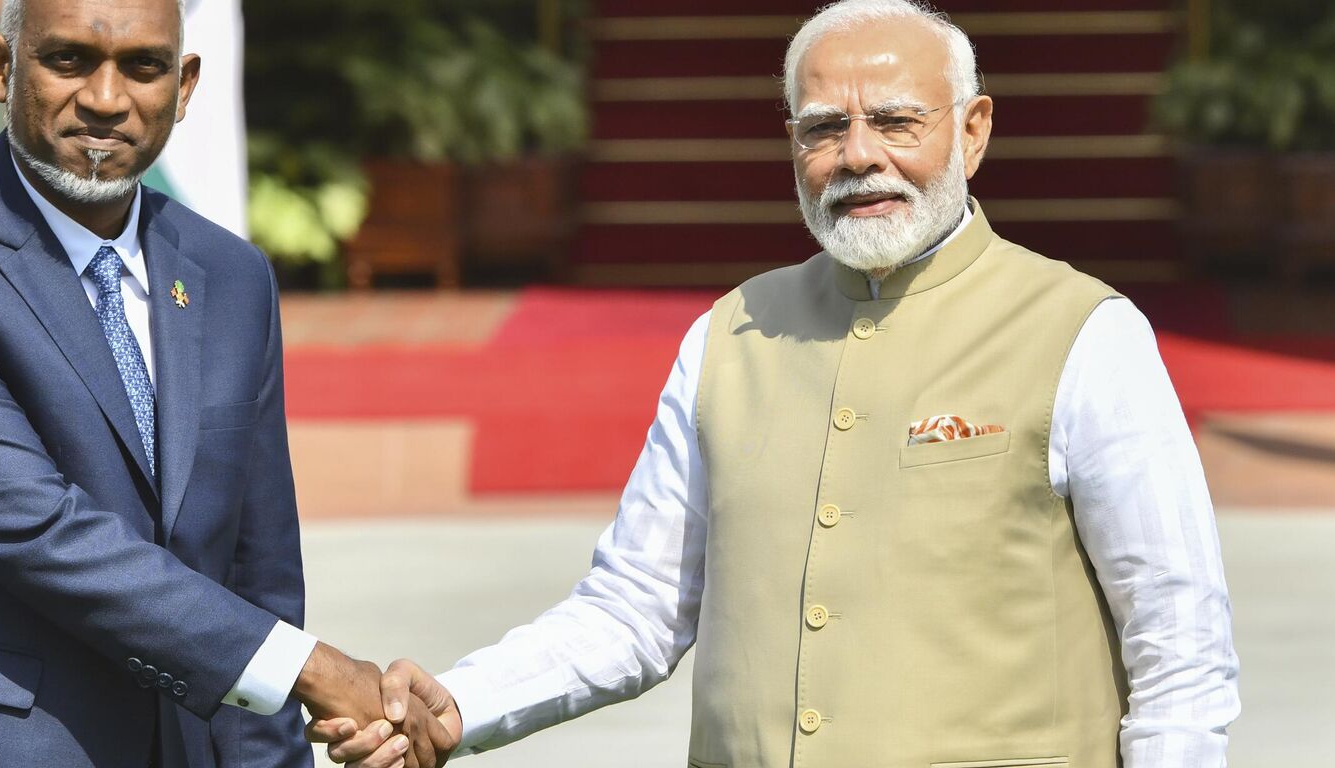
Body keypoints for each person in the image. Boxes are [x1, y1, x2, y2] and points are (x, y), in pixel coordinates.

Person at [311, 1, 1241, 766]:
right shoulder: (731, 335)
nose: (859, 155)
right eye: (825, 128)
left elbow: (1180, 651)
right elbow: (635, 608)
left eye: (896, 121)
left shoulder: (1082, 332)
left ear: (974, 130)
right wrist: (457, 706)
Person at [0, 1, 447, 766]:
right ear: (1, 67)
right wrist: (315, 671)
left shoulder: (231, 276)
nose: (106, 99)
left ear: (183, 87)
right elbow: (38, 528)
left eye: (142, 67)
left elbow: (255, 572)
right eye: (69, 60)